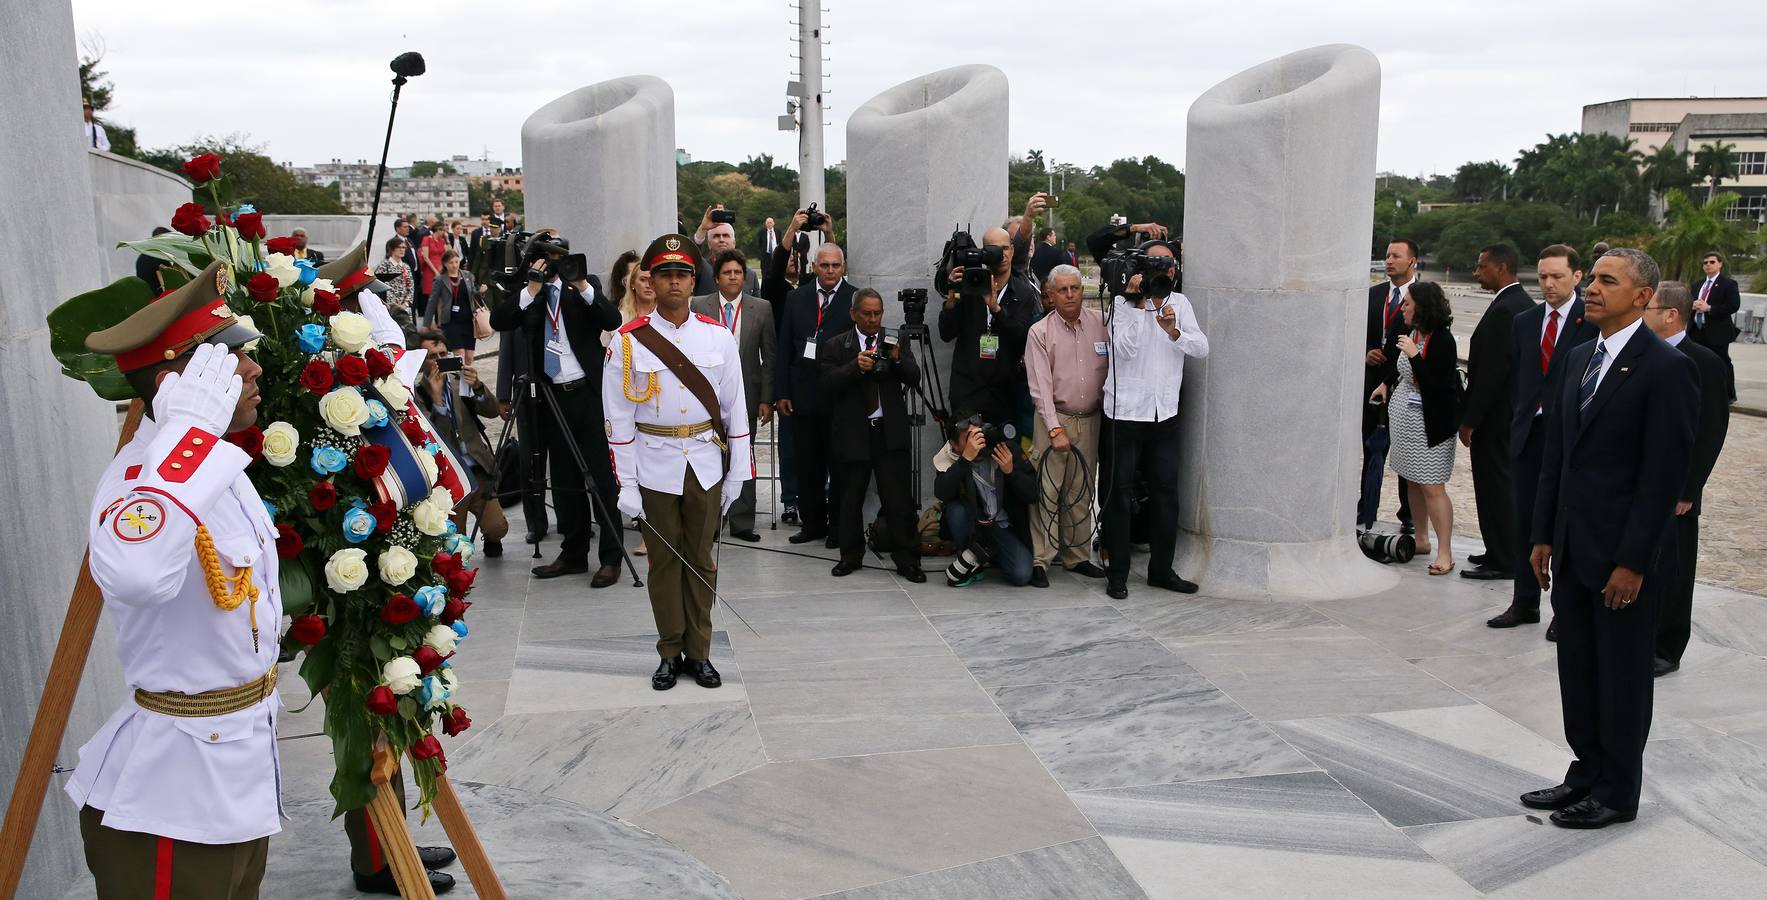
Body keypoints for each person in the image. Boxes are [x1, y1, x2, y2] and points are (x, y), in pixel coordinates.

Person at [70, 267, 280, 898]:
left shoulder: (217, 467)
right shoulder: (142, 479)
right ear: (174, 385)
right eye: (229, 361)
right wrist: (188, 434)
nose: (252, 370)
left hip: (237, 776)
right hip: (170, 799)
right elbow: (134, 574)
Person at [1522, 248, 1698, 829]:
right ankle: (1587, 771)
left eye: (1606, 281)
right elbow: (1558, 459)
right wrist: (1543, 533)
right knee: (1578, 669)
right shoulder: (1577, 359)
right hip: (1572, 548)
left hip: (1623, 560)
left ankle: (1618, 791)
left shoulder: (1666, 369)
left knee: (1621, 678)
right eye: (1592, 278)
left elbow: (1661, 478)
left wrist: (1633, 562)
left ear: (1643, 297)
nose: (1591, 289)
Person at [605, 233, 752, 691]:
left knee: (702, 559)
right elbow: (618, 419)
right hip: (654, 463)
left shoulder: (717, 337)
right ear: (649, 280)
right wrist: (625, 484)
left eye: (681, 274)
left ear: (693, 280)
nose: (673, 283)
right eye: (664, 274)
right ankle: (670, 650)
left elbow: (736, 408)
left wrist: (738, 473)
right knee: (664, 564)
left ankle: (701, 652)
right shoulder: (627, 343)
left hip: (705, 462)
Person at [489, 239, 625, 585]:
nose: (554, 265)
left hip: (588, 394)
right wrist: (532, 287)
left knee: (602, 480)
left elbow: (612, 318)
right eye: (546, 260)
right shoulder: (528, 294)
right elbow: (499, 320)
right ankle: (573, 553)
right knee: (564, 481)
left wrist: (580, 284)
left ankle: (611, 557)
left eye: (559, 259)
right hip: (549, 398)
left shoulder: (584, 285)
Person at [1094, 226, 1207, 600]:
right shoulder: (1121, 306)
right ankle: (1119, 573)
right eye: (1157, 263)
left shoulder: (1181, 304)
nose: (1166, 270)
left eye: (1170, 264)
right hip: (1125, 413)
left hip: (1164, 414)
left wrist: (1175, 332)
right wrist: (1140, 306)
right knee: (1119, 492)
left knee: (1165, 493)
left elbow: (1201, 348)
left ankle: (1161, 570)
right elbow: (1122, 352)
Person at [1488, 245, 1596, 633]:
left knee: (1564, 524)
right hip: (1528, 434)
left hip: (1570, 436)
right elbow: (1519, 377)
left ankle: (1564, 612)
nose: (1548, 284)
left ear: (1577, 277)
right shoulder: (1526, 320)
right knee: (1526, 521)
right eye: (1543, 276)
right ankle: (1524, 602)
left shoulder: (1592, 320)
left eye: (1557, 277)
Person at [1643, 281, 1730, 676]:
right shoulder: (1644, 355)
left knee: (1675, 570)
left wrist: (1689, 489)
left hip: (1678, 491)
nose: (1642, 314)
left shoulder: (1703, 362)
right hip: (1642, 482)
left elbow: (1710, 431)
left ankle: (1667, 647)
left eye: (1649, 308)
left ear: (1670, 315)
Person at [820, 288, 925, 581]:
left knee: (899, 500)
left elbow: (914, 377)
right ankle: (850, 557)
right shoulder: (837, 345)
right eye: (866, 314)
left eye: (877, 313)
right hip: (853, 433)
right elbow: (826, 383)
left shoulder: (897, 339)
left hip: (889, 433)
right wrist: (855, 366)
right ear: (854, 314)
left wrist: (897, 359)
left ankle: (908, 561)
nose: (873, 319)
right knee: (850, 499)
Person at [1023, 265, 1109, 588]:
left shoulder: (1101, 324)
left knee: (1080, 489)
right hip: (1053, 419)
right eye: (1063, 290)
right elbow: (1040, 386)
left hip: (1090, 419)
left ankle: (1077, 557)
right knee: (1046, 489)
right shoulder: (1040, 332)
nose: (1071, 295)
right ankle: (1042, 559)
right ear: (1051, 295)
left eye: (1075, 288)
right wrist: (1054, 428)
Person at [1372, 281, 1460, 576]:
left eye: (1408, 303)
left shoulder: (1443, 341)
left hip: (1430, 423)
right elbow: (1398, 369)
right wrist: (1385, 384)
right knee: (1411, 480)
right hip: (1405, 418)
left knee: (1432, 485)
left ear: (1422, 306)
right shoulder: (1412, 332)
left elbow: (1435, 384)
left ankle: (1445, 552)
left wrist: (1413, 354)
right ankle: (1421, 539)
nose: (1403, 308)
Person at [1459, 244, 1533, 582]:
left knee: (1496, 487)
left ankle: (1504, 558)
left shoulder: (1507, 308)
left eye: (1481, 266)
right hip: (1507, 415)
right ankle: (1498, 548)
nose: (1477, 272)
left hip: (1497, 417)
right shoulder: (1514, 303)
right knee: (1496, 487)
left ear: (1501, 268)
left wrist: (1470, 419)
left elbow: (1492, 373)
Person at [775, 242, 855, 546]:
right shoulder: (797, 298)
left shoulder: (854, 298)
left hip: (839, 398)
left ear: (843, 267)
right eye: (825, 265)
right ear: (815, 267)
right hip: (802, 396)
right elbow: (784, 348)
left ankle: (837, 527)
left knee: (839, 466)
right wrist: (781, 391)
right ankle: (812, 525)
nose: (831, 271)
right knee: (807, 465)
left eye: (836, 265)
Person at [692, 250, 775, 542]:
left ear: (745, 277)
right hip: (707, 394)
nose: (733, 277)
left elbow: (769, 357)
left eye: (738, 273)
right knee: (711, 455)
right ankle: (711, 521)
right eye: (727, 272)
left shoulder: (761, 308)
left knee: (743, 452)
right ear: (717, 278)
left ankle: (742, 522)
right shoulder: (699, 305)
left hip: (748, 393)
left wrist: (766, 398)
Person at [414, 329, 508, 556]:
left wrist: (477, 387)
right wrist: (437, 402)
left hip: (478, 469)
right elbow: (430, 435)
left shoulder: (460, 382)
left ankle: (491, 536)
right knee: (456, 539)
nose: (439, 361)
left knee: (498, 527)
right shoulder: (418, 394)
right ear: (420, 361)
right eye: (432, 357)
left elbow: (493, 410)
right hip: (450, 475)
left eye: (443, 355)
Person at [937, 227, 1040, 417]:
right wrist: (952, 297)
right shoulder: (968, 285)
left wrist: (996, 309)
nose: (1000, 255)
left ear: (1013, 250)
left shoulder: (1023, 292)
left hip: (1004, 392)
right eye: (993, 250)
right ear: (983, 253)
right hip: (967, 390)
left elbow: (1021, 339)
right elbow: (946, 333)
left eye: (1005, 248)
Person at [934, 418, 1038, 587]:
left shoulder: (1004, 448)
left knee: (1021, 574)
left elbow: (1033, 494)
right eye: (969, 438)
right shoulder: (949, 457)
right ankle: (974, 555)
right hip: (973, 523)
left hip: (1002, 526)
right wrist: (965, 459)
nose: (977, 442)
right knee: (955, 511)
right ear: (954, 444)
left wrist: (1011, 472)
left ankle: (987, 555)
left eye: (979, 433)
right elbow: (941, 492)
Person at [1361, 238, 1419, 535]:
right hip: (1370, 383)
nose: (1389, 260)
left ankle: (1408, 514)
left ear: (1412, 261)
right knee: (1370, 447)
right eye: (1386, 255)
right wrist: (1365, 352)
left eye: (1396, 255)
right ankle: (1365, 506)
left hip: (1407, 385)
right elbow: (1356, 331)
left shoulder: (1424, 298)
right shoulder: (1372, 295)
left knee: (1405, 453)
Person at [1688, 251, 1740, 402]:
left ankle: (1728, 394)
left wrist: (1709, 308)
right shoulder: (1698, 284)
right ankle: (1701, 391)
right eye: (1705, 263)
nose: (1708, 265)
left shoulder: (1728, 284)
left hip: (1717, 331)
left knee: (1721, 361)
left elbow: (1733, 306)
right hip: (1696, 330)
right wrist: (1692, 305)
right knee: (1697, 361)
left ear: (1720, 264)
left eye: (1712, 262)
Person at [424, 249, 480, 365]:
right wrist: (426, 324)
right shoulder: (440, 280)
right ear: (445, 264)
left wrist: (481, 292)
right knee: (459, 353)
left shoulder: (467, 276)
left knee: (469, 356)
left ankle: (464, 377)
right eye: (451, 263)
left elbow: (473, 293)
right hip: (451, 321)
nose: (454, 265)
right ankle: (463, 379)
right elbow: (432, 302)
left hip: (468, 321)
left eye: (456, 262)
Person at [691, 205, 761, 296]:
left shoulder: (750, 276)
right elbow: (690, 254)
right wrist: (702, 228)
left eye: (726, 235)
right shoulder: (701, 268)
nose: (721, 240)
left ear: (734, 242)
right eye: (716, 236)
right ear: (708, 244)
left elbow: (757, 307)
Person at [373, 235, 417, 334]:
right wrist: (393, 304)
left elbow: (411, 287)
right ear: (392, 249)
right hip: (390, 306)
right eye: (399, 247)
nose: (402, 250)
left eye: (404, 247)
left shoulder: (406, 266)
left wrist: (405, 303)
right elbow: (380, 285)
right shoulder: (384, 265)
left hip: (404, 307)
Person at [135, 226, 173, 291]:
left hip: (150, 298)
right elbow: (172, 279)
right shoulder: (158, 256)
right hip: (164, 296)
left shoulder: (141, 257)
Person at [418, 223, 448, 303]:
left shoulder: (442, 240)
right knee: (431, 296)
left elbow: (448, 253)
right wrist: (435, 271)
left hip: (441, 268)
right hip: (430, 269)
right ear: (438, 230)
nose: (444, 233)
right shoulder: (427, 239)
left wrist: (447, 240)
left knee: (441, 296)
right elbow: (426, 257)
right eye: (443, 231)